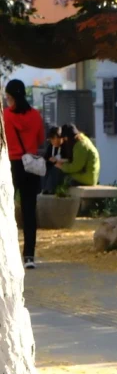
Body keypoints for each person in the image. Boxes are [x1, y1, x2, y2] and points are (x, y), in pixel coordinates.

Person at [4, 78, 47, 269]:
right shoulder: (35, 115)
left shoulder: (5, 116)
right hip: (30, 166)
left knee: (6, 210)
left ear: (12, 97)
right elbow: (40, 140)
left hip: (11, 166)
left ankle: (7, 253)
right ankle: (29, 255)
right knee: (29, 211)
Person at [54, 123, 101, 188]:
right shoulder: (82, 139)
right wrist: (64, 161)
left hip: (87, 178)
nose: (65, 140)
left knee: (62, 176)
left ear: (69, 137)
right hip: (89, 176)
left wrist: (62, 166)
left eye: (65, 138)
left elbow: (76, 167)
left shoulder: (80, 145)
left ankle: (51, 192)